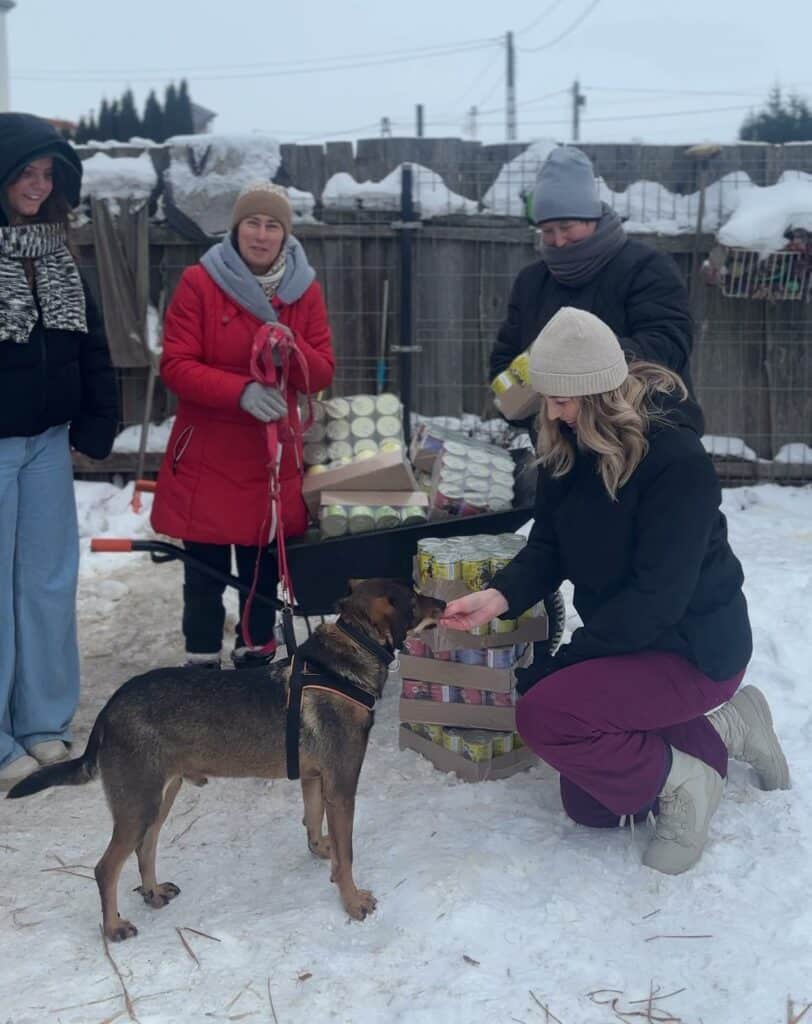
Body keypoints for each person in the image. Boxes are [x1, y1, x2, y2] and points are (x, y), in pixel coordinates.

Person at [443, 307, 789, 875]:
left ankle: (689, 785)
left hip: (694, 646)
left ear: (603, 393)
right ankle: (732, 727)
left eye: (565, 400)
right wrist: (501, 595)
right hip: (631, 638)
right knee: (594, 807)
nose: (551, 413)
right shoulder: (563, 446)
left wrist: (565, 665)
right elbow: (548, 546)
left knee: (547, 715)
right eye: (547, 398)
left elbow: (659, 599)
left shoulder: (676, 463)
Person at [151, 182, 335, 669]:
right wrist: (240, 391)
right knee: (205, 571)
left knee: (261, 568)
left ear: (285, 235)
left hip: (269, 458)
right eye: (252, 223)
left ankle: (255, 658)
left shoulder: (304, 290)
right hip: (209, 453)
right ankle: (202, 662)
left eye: (272, 225)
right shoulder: (200, 282)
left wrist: (292, 352)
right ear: (236, 230)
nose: (261, 233)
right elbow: (176, 365)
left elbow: (322, 371)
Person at [0, 112, 118, 789]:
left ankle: (43, 722)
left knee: (47, 583)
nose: (39, 186)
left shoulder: (56, 254)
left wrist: (98, 418)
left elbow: (90, 344)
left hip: (45, 444)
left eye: (49, 175)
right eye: (27, 173)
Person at [491, 146, 697, 432]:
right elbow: (504, 358)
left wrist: (579, 368)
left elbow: (668, 345)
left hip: (642, 432)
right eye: (547, 231)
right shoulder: (532, 282)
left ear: (593, 218)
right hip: (560, 438)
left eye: (567, 226)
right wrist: (519, 399)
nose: (558, 241)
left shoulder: (647, 268)